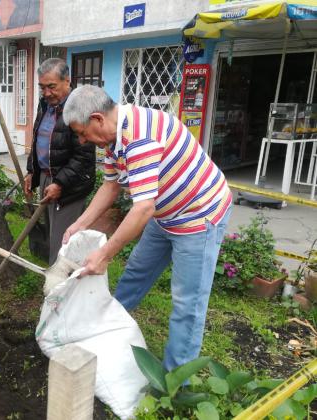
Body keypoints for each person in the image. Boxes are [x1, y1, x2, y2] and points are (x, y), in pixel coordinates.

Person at [61, 85, 232, 371]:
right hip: (164, 214)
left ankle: (175, 383)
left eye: (82, 132)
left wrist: (105, 254)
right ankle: (104, 332)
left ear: (97, 119)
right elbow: (111, 185)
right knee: (136, 273)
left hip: (198, 216)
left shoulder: (139, 138)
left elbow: (142, 209)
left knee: (187, 304)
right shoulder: (113, 138)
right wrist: (78, 224)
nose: (82, 141)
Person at [23, 58, 96, 264]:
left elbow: (84, 157)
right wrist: (32, 172)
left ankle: (61, 291)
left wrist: (60, 183)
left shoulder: (80, 108)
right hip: (48, 179)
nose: (46, 93)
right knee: (53, 235)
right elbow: (39, 139)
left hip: (69, 185)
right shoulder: (45, 104)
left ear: (67, 81)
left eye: (51, 87)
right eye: (42, 87)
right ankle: (61, 282)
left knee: (63, 242)